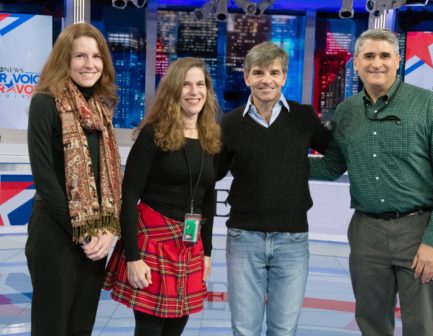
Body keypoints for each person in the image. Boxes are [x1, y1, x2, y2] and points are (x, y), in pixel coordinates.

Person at [310, 28, 433, 335]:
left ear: (397, 60)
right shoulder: (347, 111)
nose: (376, 63)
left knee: (421, 324)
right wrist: (275, 160)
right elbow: (330, 167)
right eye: (368, 56)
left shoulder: (429, 106)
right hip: (367, 232)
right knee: (371, 322)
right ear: (356, 63)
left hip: (417, 229)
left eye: (384, 56)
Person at [218, 42, 331, 336]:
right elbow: (213, 171)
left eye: (273, 72)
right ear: (246, 77)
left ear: (284, 77)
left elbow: (336, 152)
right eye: (258, 72)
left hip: (292, 240)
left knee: (283, 330)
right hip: (244, 238)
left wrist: (300, 168)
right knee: (244, 329)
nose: (266, 79)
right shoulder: (228, 124)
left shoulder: (303, 117)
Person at [103, 57, 220, 336]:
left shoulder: (211, 136)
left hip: (190, 244)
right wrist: (133, 257)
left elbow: (208, 198)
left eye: (200, 84)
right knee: (150, 329)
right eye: (186, 85)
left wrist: (207, 252)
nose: (194, 92)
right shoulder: (153, 134)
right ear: (173, 91)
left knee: (177, 327)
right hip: (152, 242)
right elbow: (129, 195)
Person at [26, 23, 122, 335]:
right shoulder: (45, 102)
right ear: (64, 59)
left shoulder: (100, 110)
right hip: (56, 234)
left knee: (81, 328)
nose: (90, 64)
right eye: (80, 56)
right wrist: (84, 234)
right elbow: (45, 179)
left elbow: (107, 180)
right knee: (51, 327)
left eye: (96, 56)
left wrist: (108, 231)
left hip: (95, 237)